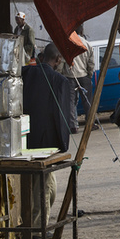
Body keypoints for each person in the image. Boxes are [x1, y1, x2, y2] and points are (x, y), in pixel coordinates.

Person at [22, 43, 77, 224]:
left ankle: (37, 222)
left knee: (47, 188)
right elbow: (62, 117)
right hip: (46, 144)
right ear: (58, 59)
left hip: (25, 139)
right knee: (43, 188)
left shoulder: (25, 73)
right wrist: (62, 145)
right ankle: (38, 227)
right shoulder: (59, 80)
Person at [68, 23, 98, 115]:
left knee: (71, 103)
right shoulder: (87, 44)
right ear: (81, 31)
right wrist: (89, 75)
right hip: (83, 76)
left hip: (70, 76)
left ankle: (73, 125)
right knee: (87, 101)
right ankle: (90, 122)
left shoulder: (68, 43)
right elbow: (91, 63)